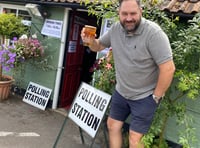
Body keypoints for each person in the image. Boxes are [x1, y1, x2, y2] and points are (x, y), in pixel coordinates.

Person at [80, 0, 176, 147]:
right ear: (119, 13)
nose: (129, 18)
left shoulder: (153, 33)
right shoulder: (115, 29)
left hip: (145, 96)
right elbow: (98, 46)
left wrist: (156, 97)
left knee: (134, 138)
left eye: (133, 13)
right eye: (124, 14)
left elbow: (168, 68)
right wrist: (90, 41)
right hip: (121, 92)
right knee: (112, 126)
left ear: (141, 12)